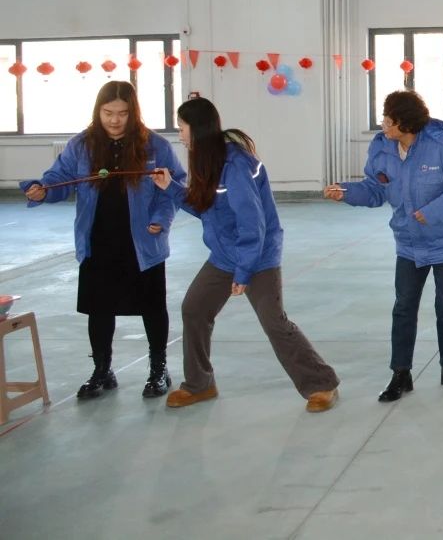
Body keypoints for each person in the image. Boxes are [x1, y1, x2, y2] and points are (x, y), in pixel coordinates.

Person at [152, 98, 340, 412]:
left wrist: (243, 272)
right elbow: (205, 208)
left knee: (273, 322)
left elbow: (252, 224)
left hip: (258, 255)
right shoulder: (206, 160)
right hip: (225, 254)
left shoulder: (236, 165)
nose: (179, 134)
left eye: (181, 127)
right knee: (194, 309)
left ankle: (322, 384)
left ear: (196, 129)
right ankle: (200, 384)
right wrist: (170, 187)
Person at [20, 80, 185, 400]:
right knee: (99, 307)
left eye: (122, 113)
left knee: (152, 306)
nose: (114, 120)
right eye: (108, 113)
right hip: (98, 239)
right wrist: (42, 190)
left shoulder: (155, 146)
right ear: (98, 111)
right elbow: (59, 179)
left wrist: (160, 220)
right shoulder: (82, 144)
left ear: (133, 112)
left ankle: (158, 369)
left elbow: (174, 186)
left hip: (143, 241)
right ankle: (102, 369)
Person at [323, 90, 443, 401]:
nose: (383, 125)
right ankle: (401, 373)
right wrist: (346, 193)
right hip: (408, 243)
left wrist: (432, 212)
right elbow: (375, 189)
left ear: (405, 124)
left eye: (388, 120)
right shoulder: (381, 147)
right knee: (404, 308)